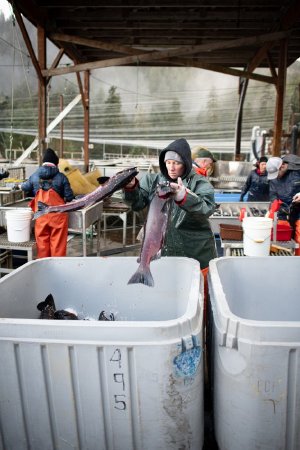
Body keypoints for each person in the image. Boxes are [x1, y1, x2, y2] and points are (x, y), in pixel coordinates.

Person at [123, 138, 217, 305]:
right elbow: (138, 203)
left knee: (197, 300)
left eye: (177, 163)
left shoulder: (200, 182)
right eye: (168, 162)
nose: (171, 167)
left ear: (186, 163)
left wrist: (184, 196)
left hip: (196, 252)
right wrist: (131, 188)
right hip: (163, 252)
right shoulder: (152, 180)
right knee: (168, 298)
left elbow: (206, 209)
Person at [21, 148, 74, 258]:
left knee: (42, 245)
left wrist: (22, 185)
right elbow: (69, 197)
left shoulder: (35, 176)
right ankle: (57, 269)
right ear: (56, 163)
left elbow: (25, 187)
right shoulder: (62, 177)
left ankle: (44, 268)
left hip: (41, 216)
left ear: (43, 162)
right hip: (58, 217)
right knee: (58, 245)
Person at [267, 154, 300, 255]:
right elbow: (273, 195)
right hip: (283, 211)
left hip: (299, 211)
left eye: (277, 173)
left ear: (282, 166)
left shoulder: (297, 169)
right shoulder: (273, 178)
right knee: (276, 235)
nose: (275, 177)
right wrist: (276, 206)